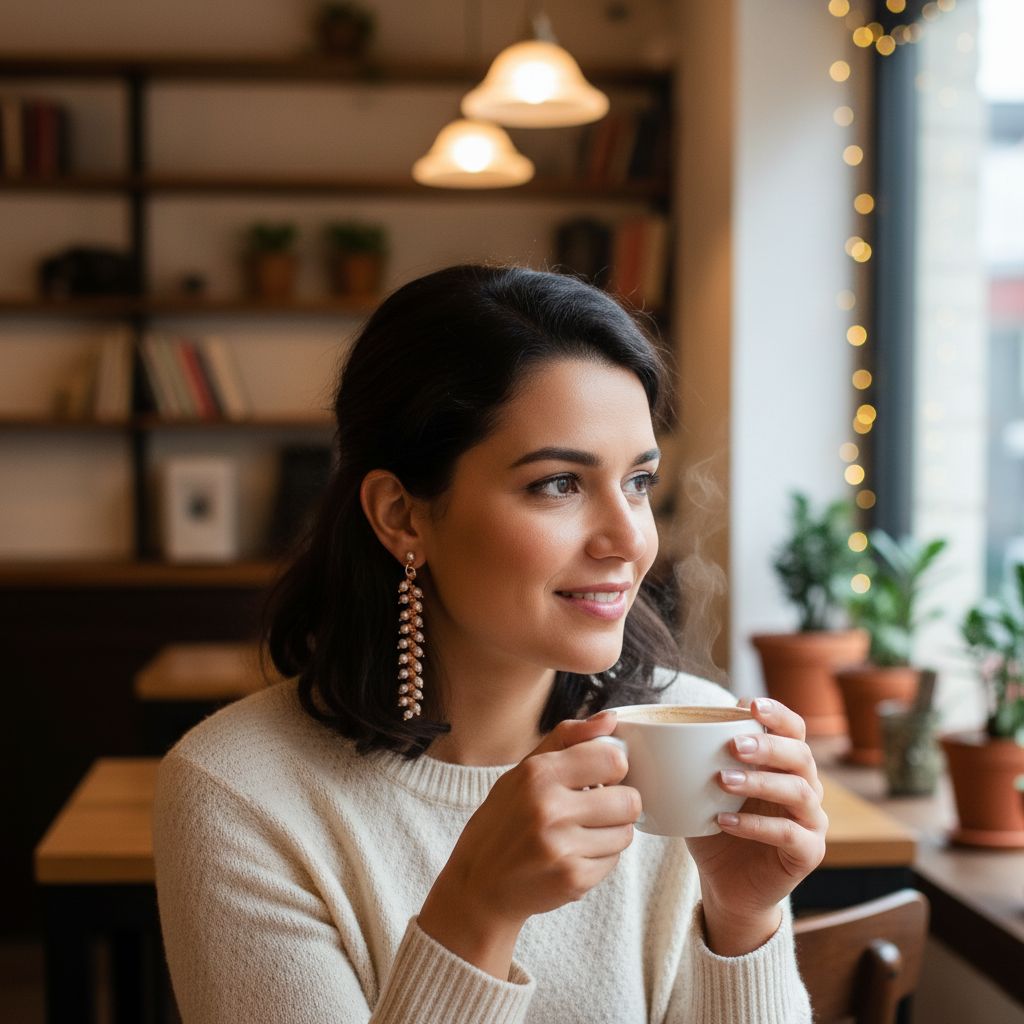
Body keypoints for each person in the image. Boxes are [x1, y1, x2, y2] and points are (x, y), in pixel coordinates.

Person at [154, 264, 826, 1023]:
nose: (627, 539)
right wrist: (476, 913)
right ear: (402, 516)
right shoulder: (242, 795)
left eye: (638, 482)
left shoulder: (692, 744)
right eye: (558, 485)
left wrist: (742, 925)